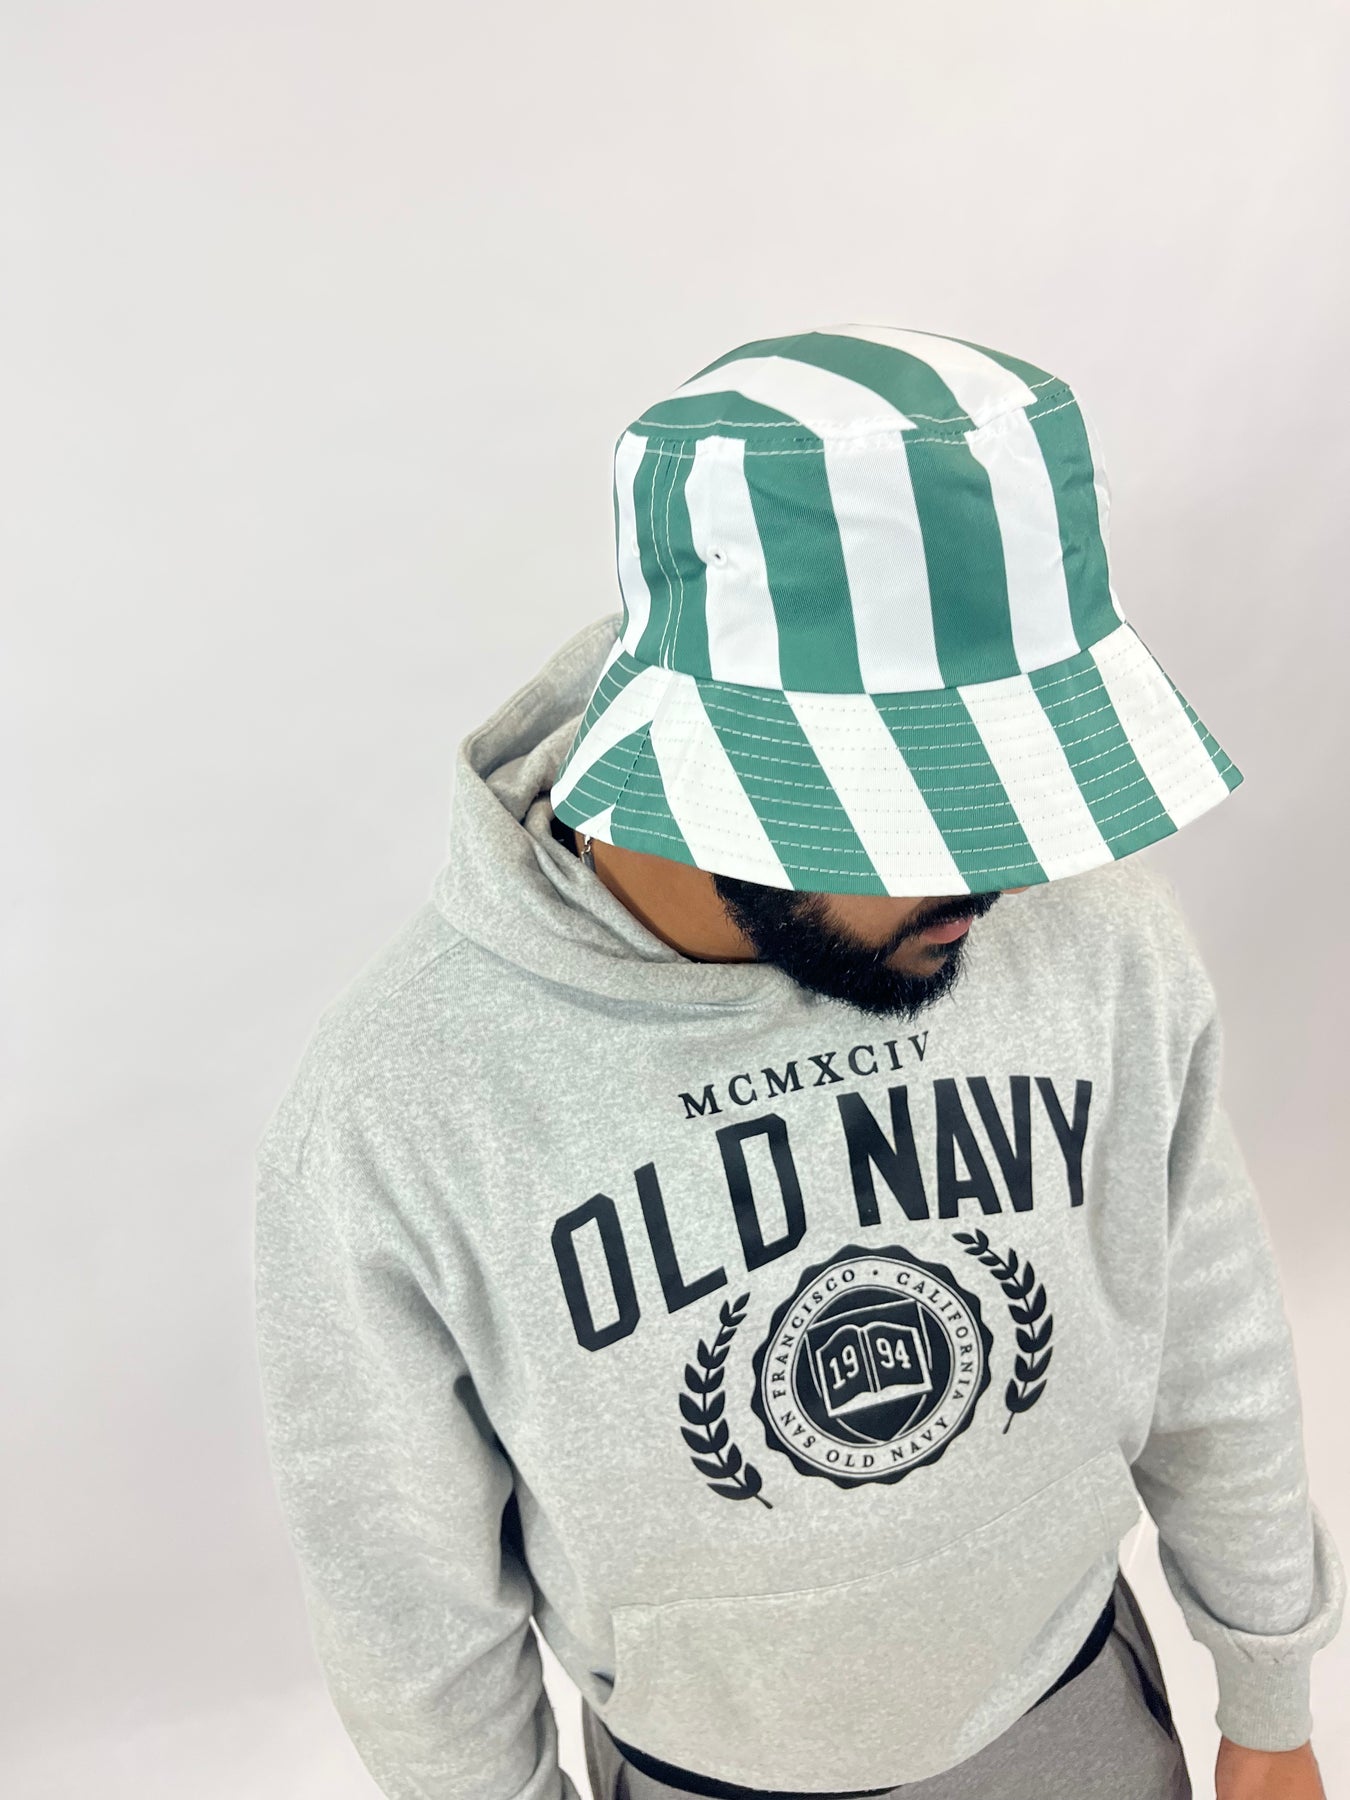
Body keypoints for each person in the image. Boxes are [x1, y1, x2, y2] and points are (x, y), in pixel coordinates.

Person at [252, 324, 1344, 1800]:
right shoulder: (398, 1110)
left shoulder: (1097, 940)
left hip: (1078, 1713)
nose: (994, 871)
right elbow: (409, 1597)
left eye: (1015, 778)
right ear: (703, 757)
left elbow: (1210, 1329)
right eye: (921, 798)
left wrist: (1269, 1697)